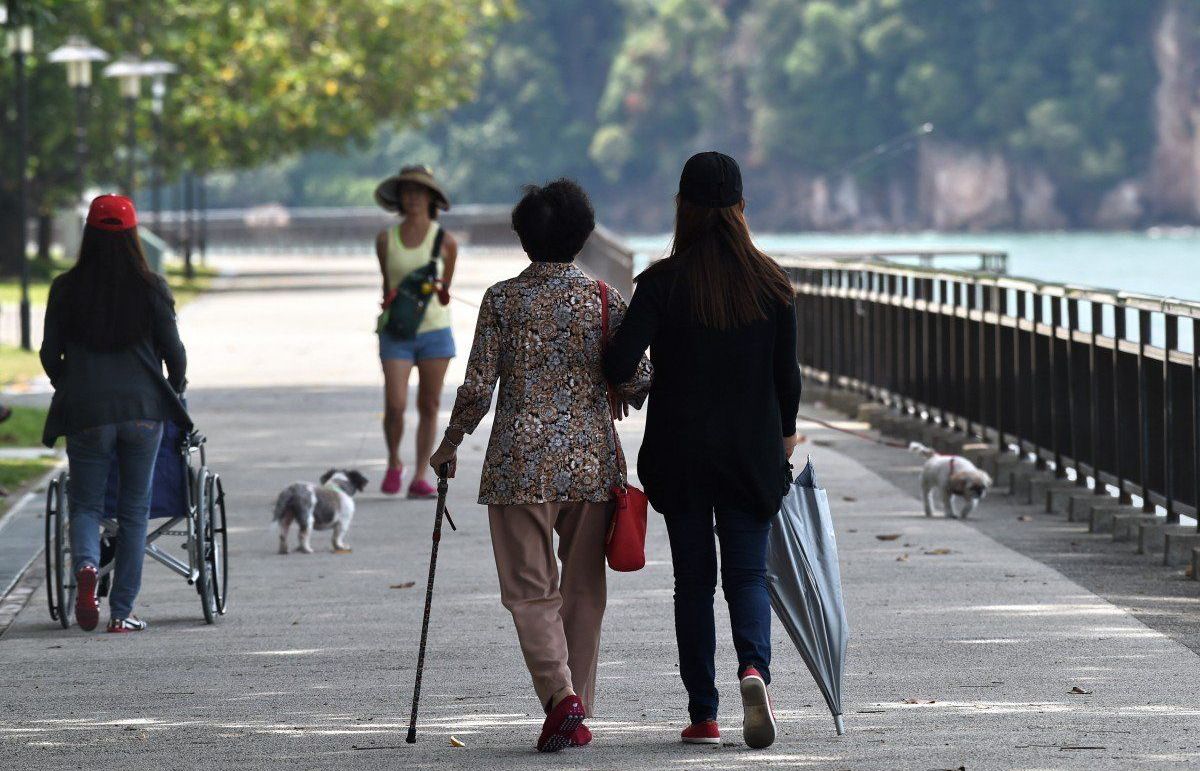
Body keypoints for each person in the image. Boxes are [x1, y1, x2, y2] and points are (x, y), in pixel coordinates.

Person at [429, 179, 651, 752]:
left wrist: (450, 442)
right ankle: (579, 710)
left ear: (523, 237)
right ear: (583, 235)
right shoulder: (603, 298)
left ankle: (562, 700)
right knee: (583, 592)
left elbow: (479, 387)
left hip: (518, 465)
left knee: (530, 593)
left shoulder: (503, 300)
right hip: (590, 463)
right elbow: (638, 377)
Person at [603, 152, 802, 750]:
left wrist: (647, 376)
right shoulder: (773, 283)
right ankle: (754, 671)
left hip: (680, 455)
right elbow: (786, 380)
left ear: (682, 209)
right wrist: (783, 439)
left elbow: (616, 363)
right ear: (741, 208)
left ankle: (704, 713)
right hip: (750, 456)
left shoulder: (662, 283)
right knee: (747, 575)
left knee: (693, 582)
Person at [40, 194, 189, 633]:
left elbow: (50, 354)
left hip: (86, 411)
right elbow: (175, 355)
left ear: (88, 233)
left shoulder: (65, 289)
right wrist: (173, 392)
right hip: (144, 411)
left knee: (85, 504)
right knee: (134, 510)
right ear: (132, 234)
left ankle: (87, 566)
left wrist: (68, 384)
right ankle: (121, 612)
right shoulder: (151, 287)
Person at [373, 165, 459, 498]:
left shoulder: (446, 242)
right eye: (406, 191)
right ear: (399, 197)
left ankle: (421, 474)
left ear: (430, 197)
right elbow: (387, 284)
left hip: (435, 331)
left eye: (418, 191)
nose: (412, 197)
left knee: (429, 403)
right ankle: (395, 460)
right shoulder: (386, 240)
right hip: (396, 330)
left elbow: (444, 289)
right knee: (395, 403)